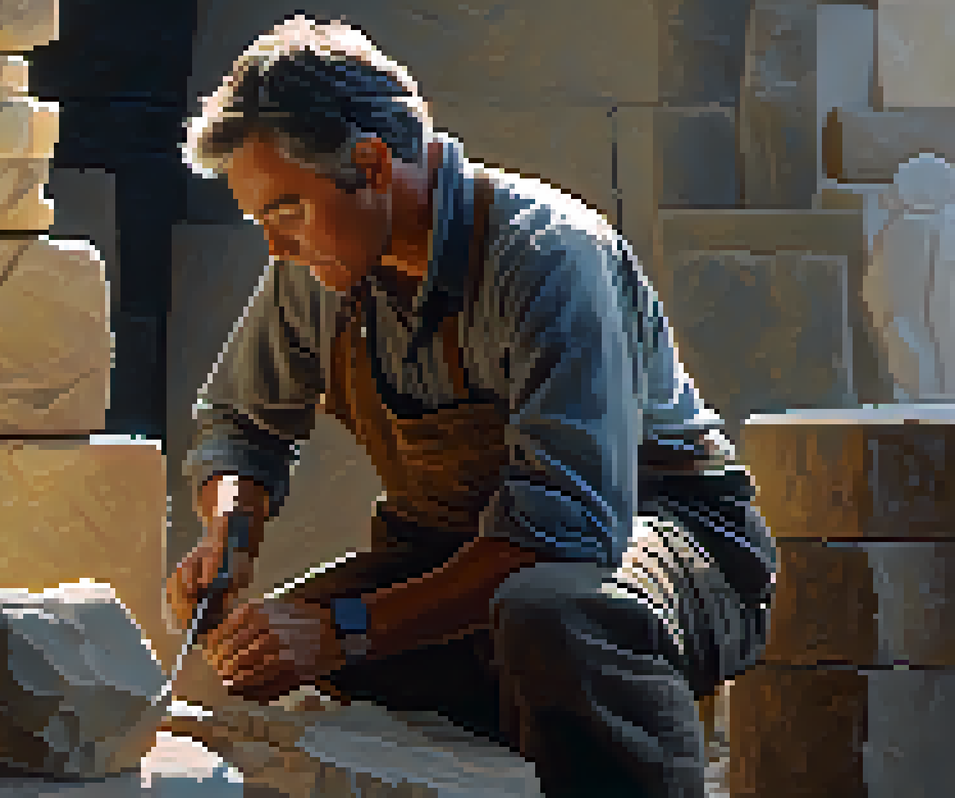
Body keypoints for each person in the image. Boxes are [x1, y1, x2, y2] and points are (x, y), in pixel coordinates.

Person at [165, 15, 778, 798]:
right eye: (261, 223)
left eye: (287, 211)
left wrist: (347, 633)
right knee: (260, 648)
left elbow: (566, 531)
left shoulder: (551, 255)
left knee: (548, 615)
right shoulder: (318, 269)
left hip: (656, 541)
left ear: (373, 162)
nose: (276, 247)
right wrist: (231, 527)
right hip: (462, 553)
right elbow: (242, 427)